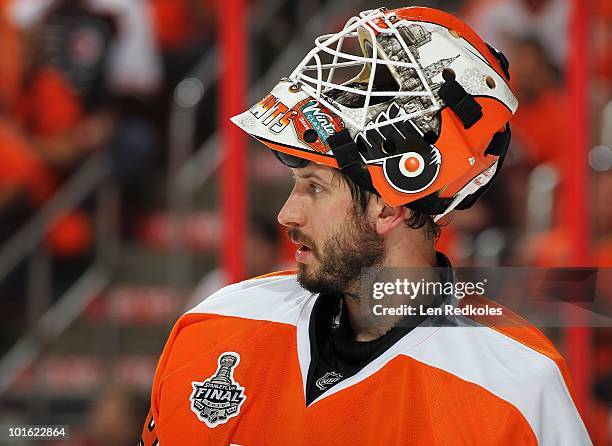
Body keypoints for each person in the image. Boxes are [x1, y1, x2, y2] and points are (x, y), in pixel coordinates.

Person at [140, 6, 591, 445]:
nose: (285, 215)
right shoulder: (216, 324)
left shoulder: (517, 391)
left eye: (314, 187)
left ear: (389, 208)